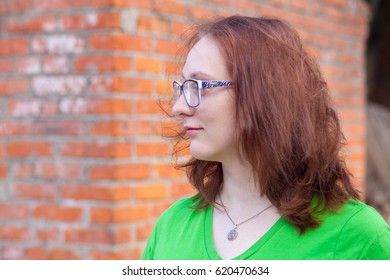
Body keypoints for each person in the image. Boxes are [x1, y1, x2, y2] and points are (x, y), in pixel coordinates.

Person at [141, 15, 390, 260]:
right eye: (183, 87)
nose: (179, 107)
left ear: (264, 94)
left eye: (199, 86)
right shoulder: (171, 227)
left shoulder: (357, 238)